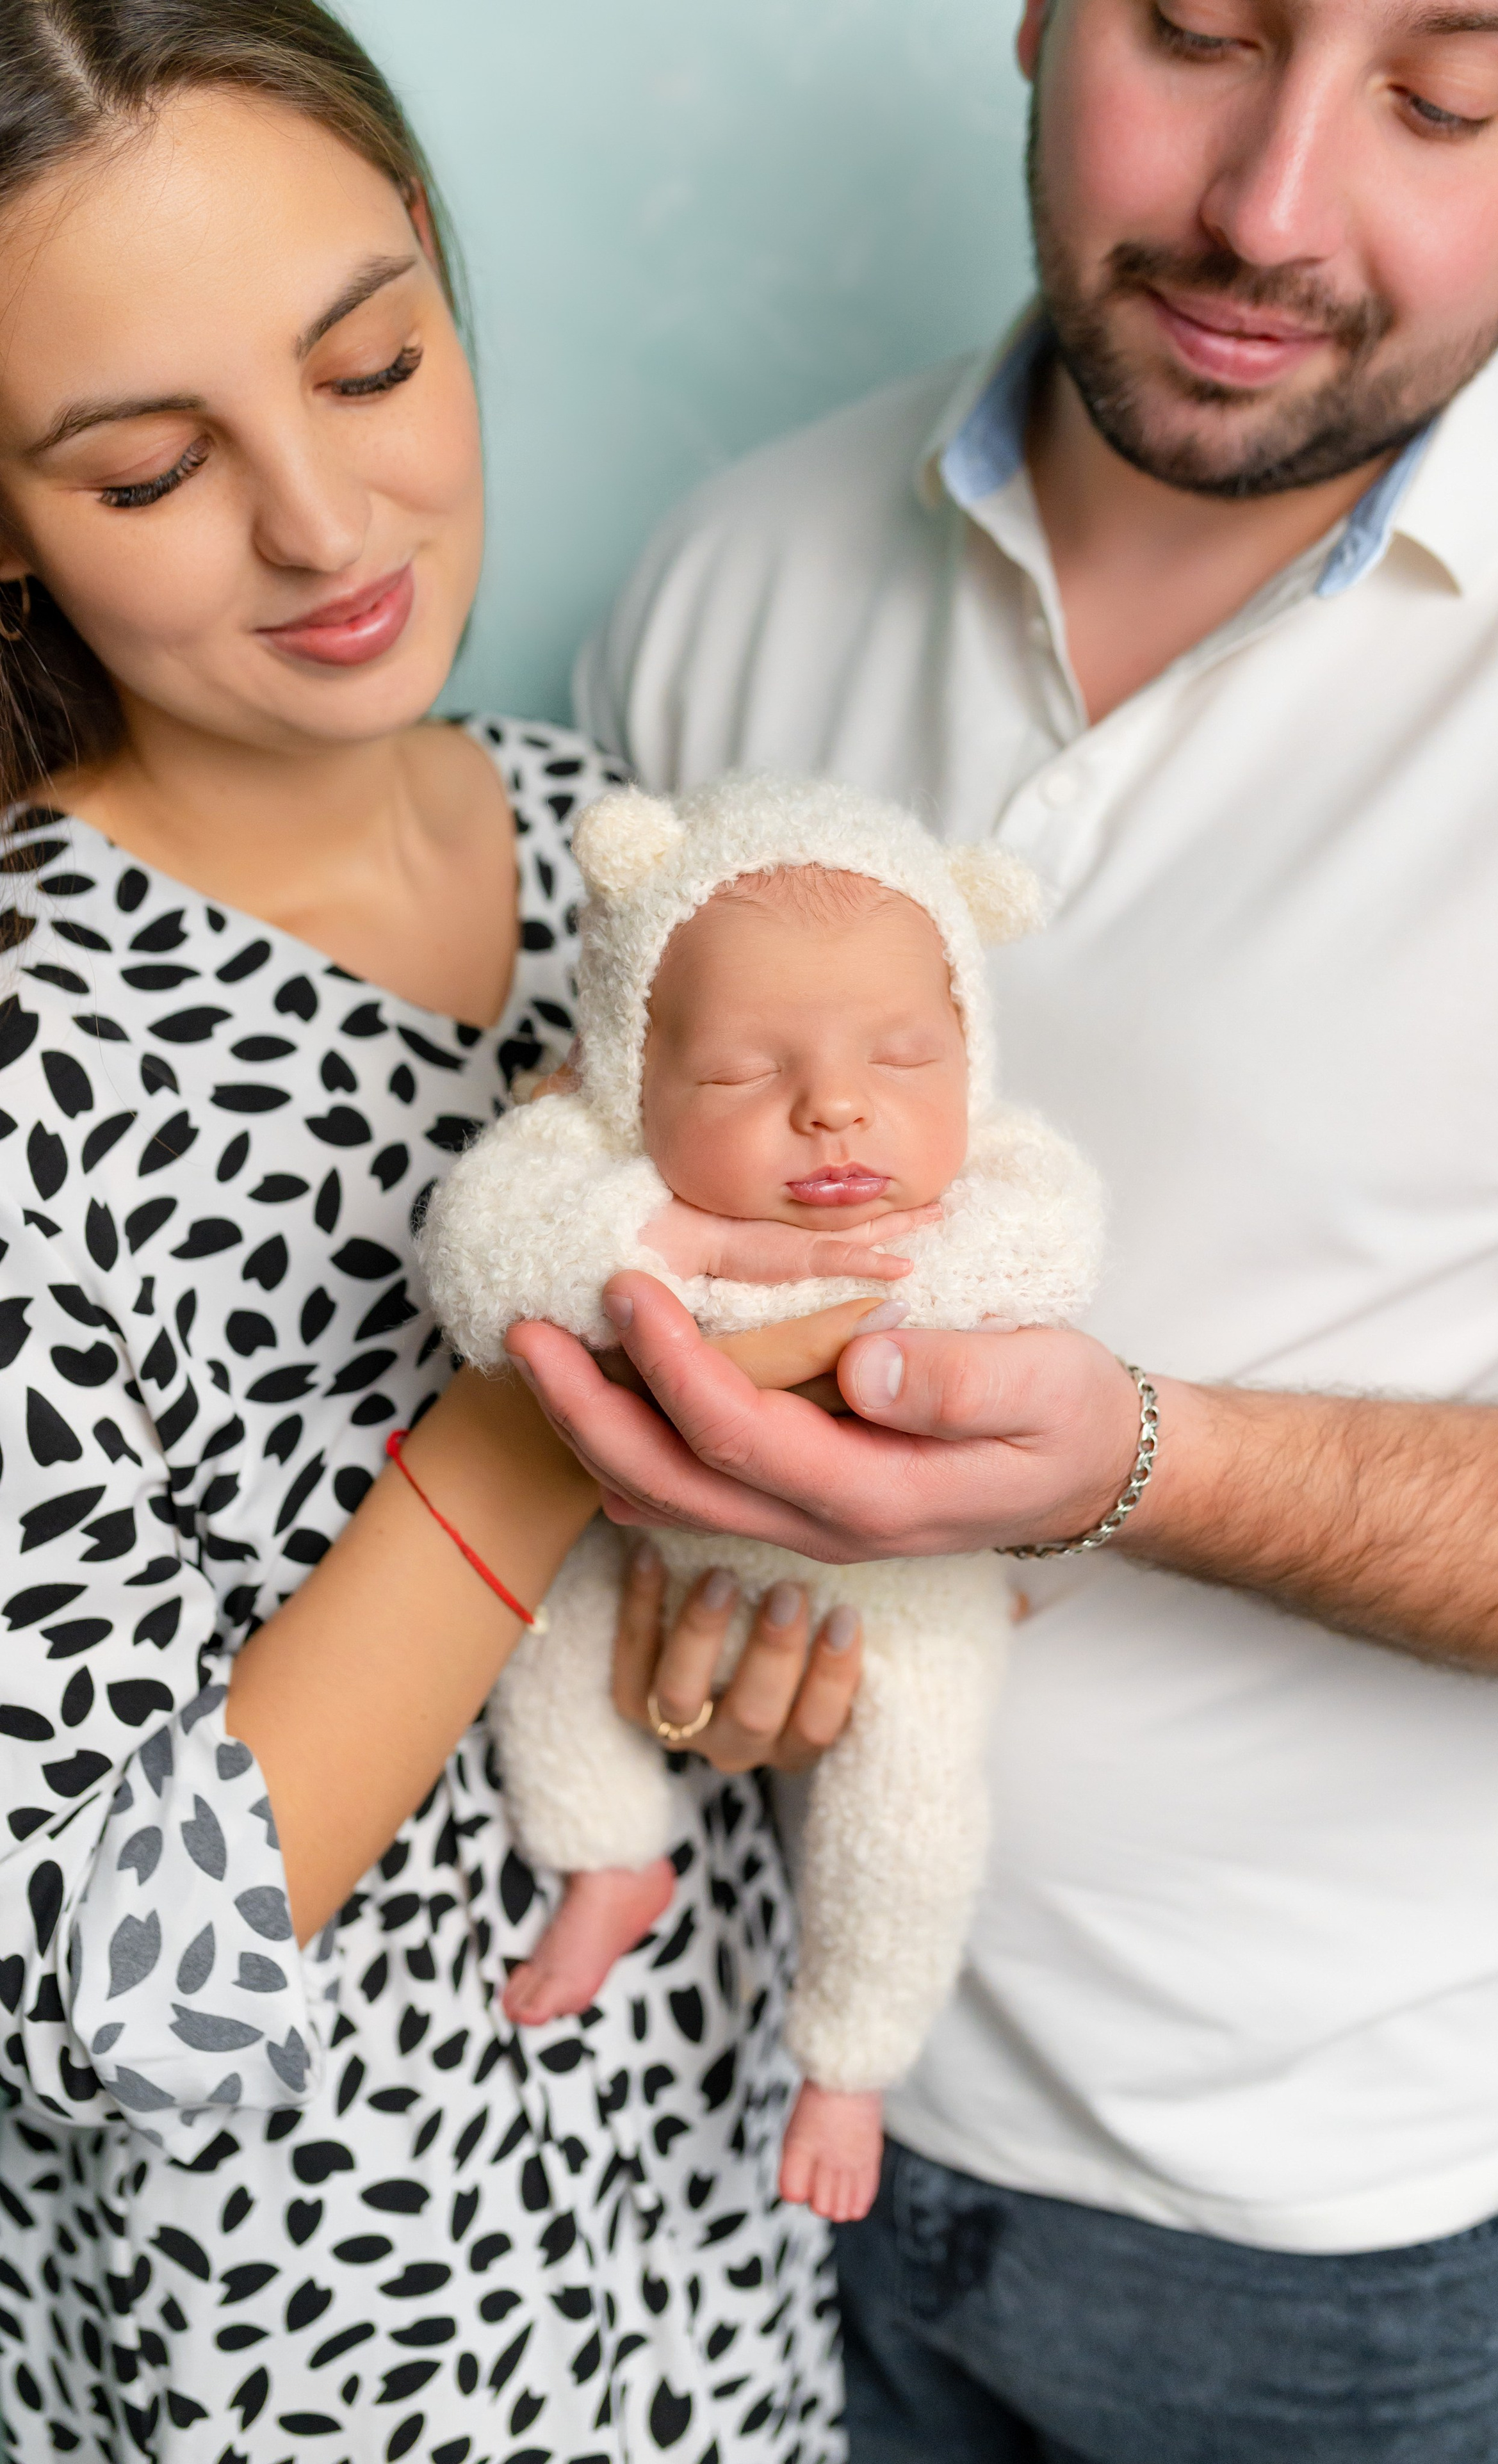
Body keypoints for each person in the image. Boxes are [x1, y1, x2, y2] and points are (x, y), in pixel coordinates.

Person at [512, 0, 1498, 2454]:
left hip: (1334, 2243)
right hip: (735, 2133)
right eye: (1200, 31)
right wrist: (697, 1584)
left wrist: (1144, 1460)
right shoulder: (733, 569)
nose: (1267, 201)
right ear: (1029, 11)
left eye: (1448, 97)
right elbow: (584, 1216)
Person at [0, 6, 861, 2457]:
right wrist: (544, 1427)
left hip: (709, 2287)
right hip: (327, 2370)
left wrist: (767, 1628)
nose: (323, 521)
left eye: (372, 363)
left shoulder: (622, 851)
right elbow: (109, 2001)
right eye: (154, 466)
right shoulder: (34, 1054)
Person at [416, 776, 1100, 2226]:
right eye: (738, 1076)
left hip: (904, 1597)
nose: (833, 1107)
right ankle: (609, 1856)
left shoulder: (986, 1181)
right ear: (626, 1073)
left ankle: (851, 2058)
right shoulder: (591, 1161)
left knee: (910, 1796)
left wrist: (874, 1273)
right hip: (645, 1538)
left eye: (903, 1057)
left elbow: (1046, 1249)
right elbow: (479, 1259)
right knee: (537, 1634)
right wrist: (670, 1235)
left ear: (967, 1052)